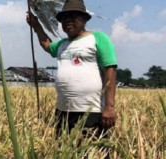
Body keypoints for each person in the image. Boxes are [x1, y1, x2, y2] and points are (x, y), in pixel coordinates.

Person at [26, 0, 117, 138]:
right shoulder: (62, 44)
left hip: (91, 111)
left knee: (92, 155)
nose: (68, 21)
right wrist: (36, 25)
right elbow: (46, 44)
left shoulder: (98, 38)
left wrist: (109, 107)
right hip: (63, 110)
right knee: (64, 154)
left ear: (84, 19)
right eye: (64, 18)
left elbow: (110, 71)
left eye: (73, 16)